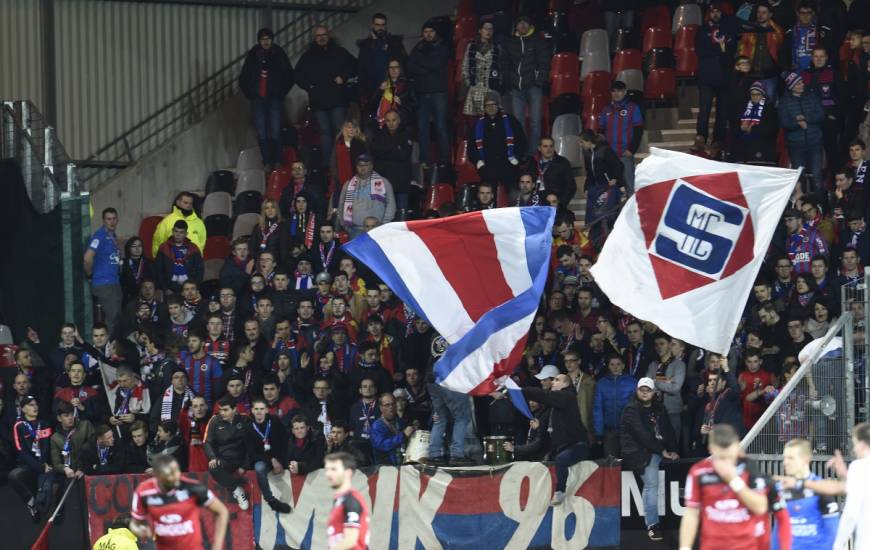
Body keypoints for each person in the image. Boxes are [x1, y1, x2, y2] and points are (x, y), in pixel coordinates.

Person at [679, 424, 781, 550]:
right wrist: (685, 547)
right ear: (711, 449)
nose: (727, 463)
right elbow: (691, 512)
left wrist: (734, 480)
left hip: (746, 546)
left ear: (737, 447)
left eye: (730, 457)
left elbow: (760, 507)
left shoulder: (749, 468)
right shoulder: (698, 472)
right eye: (722, 457)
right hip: (712, 546)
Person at [620, 377, 680, 542]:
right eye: (642, 390)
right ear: (637, 391)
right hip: (639, 453)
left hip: (656, 450)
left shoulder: (659, 408)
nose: (645, 393)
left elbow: (668, 430)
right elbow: (642, 435)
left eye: (648, 390)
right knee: (652, 483)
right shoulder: (631, 409)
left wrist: (673, 450)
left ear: (654, 392)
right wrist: (663, 451)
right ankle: (652, 524)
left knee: (655, 481)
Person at [130, 454, 229, 550]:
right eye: (170, 474)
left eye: (177, 470)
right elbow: (134, 524)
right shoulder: (143, 492)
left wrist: (217, 546)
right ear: (157, 475)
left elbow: (222, 511)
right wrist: (140, 531)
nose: (176, 476)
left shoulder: (193, 488)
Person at [518, 373, 588, 505]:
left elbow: (545, 396)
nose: (553, 382)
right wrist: (539, 427)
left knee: (561, 459)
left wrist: (522, 390)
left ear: (565, 384)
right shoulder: (555, 403)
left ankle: (560, 491)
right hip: (562, 447)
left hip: (578, 445)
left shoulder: (567, 396)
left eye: (557, 380)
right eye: (553, 380)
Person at [295, 25, 357, 166]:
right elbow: (297, 75)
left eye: (324, 35)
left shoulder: (340, 52)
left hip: (338, 100)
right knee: (325, 134)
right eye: (318, 35)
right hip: (319, 102)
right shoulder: (308, 56)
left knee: (338, 132)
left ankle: (342, 162)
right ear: (314, 38)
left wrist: (344, 76)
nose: (322, 37)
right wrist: (308, 86)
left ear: (329, 36)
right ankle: (328, 165)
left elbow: (354, 65)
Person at [238, 27, 295, 171]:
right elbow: (244, 77)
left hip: (274, 98)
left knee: (275, 132)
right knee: (262, 134)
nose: (266, 42)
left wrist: (281, 92)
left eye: (268, 39)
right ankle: (267, 162)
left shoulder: (278, 53)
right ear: (259, 41)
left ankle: (277, 160)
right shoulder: (253, 55)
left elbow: (289, 74)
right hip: (258, 100)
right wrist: (250, 94)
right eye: (263, 39)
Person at [771, 438, 839, 550]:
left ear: (805, 460)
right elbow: (778, 528)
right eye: (784, 458)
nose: (785, 462)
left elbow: (833, 530)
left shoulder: (821, 488)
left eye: (791, 458)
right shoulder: (780, 489)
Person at [502, 16, 549, 157]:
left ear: (530, 25)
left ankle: (533, 152)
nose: (522, 25)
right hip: (516, 88)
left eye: (525, 23)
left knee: (535, 122)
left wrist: (539, 81)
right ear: (516, 26)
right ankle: (522, 152)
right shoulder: (510, 43)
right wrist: (508, 81)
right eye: (519, 23)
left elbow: (545, 63)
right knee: (519, 122)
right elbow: (504, 63)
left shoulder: (538, 41)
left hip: (534, 87)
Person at [406, 19, 450, 167]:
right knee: (422, 128)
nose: (428, 34)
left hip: (439, 93)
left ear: (436, 32)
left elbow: (437, 64)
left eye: (431, 31)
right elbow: (410, 66)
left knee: (441, 127)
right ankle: (425, 160)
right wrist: (427, 69)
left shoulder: (443, 47)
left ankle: (444, 160)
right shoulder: (418, 47)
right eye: (425, 31)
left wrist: (421, 63)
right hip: (422, 93)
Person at [696, 2, 740, 144]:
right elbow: (700, 51)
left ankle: (718, 139)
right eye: (713, 11)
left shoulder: (728, 30)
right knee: (704, 109)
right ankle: (701, 136)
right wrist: (720, 51)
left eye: (718, 12)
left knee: (722, 111)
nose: (715, 14)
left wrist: (720, 51)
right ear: (709, 13)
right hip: (706, 75)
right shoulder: (702, 30)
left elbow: (731, 50)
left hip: (724, 75)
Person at [9, 395, 57, 521]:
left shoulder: (45, 424)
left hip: (45, 465)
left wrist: (46, 464)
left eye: (35, 404)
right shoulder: (19, 426)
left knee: (51, 486)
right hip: (29, 466)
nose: (35, 407)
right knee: (14, 476)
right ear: (23, 409)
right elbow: (21, 451)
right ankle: (31, 504)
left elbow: (49, 447)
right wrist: (39, 466)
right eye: (30, 405)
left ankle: (48, 513)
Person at [468, 91, 527, 193]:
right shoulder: (478, 125)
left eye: (493, 104)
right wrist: (478, 162)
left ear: (498, 105)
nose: (490, 107)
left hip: (509, 166)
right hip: (488, 167)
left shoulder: (510, 120)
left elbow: (522, 141)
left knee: (513, 196)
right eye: (487, 105)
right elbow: (471, 147)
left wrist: (517, 158)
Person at [779, 71, 826, 191]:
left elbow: (821, 115)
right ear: (791, 87)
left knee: (817, 176)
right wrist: (798, 124)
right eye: (798, 84)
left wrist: (805, 118)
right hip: (796, 145)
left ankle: (820, 206)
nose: (802, 85)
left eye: (801, 82)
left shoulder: (812, 97)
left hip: (814, 143)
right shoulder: (784, 102)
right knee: (799, 179)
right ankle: (801, 206)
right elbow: (784, 122)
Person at [203, 396, 251, 510]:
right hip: (225, 459)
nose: (222, 413)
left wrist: (245, 465)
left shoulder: (245, 420)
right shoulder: (214, 421)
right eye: (220, 410)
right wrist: (212, 457)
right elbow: (207, 442)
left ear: (235, 409)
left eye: (226, 410)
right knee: (213, 467)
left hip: (242, 458)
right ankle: (237, 490)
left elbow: (252, 445)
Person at [245, 398, 292, 513]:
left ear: (267, 410)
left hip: (279, 457)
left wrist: (278, 459)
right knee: (259, 468)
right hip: (262, 460)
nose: (259, 411)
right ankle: (271, 501)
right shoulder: (249, 427)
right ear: (252, 410)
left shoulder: (274, 421)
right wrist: (271, 460)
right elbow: (252, 452)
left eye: (261, 409)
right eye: (256, 409)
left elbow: (284, 441)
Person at [801, 47, 845, 171]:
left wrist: (834, 115)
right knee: (810, 152)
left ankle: (833, 184)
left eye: (821, 56)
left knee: (831, 152)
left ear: (826, 57)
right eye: (816, 56)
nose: (819, 59)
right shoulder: (805, 73)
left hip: (828, 119)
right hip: (810, 120)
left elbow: (842, 96)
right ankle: (811, 185)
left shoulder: (834, 73)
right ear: (811, 58)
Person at [597, 80, 643, 193]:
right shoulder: (606, 109)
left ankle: (633, 210)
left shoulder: (633, 108)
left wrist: (632, 149)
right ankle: (614, 211)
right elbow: (601, 132)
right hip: (609, 155)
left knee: (629, 186)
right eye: (613, 91)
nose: (616, 93)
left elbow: (638, 130)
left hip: (624, 153)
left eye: (619, 91)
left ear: (625, 92)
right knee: (611, 188)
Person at [336, 154, 396, 238]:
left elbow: (391, 205)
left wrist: (384, 224)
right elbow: (341, 205)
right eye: (360, 165)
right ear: (356, 167)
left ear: (372, 166)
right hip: (355, 230)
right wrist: (345, 225)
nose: (363, 168)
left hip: (378, 230)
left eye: (366, 165)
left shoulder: (384, 182)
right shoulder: (348, 184)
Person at [833, 421, 870, 549]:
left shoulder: (858, 467)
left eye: (855, 444)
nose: (854, 449)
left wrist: (837, 545)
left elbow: (851, 514)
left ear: (862, 444)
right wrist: (846, 475)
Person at [85, 207, 122, 333]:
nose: (112, 222)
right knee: (112, 318)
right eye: (108, 219)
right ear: (103, 221)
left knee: (117, 317)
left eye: (114, 219)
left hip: (114, 281)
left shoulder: (112, 235)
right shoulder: (99, 236)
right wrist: (90, 275)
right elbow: (87, 257)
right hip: (104, 283)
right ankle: (106, 349)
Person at [737, 2, 785, 100]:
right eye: (758, 12)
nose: (760, 15)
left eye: (764, 12)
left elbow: (782, 53)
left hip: (770, 75)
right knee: (751, 103)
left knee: (769, 104)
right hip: (752, 74)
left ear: (770, 14)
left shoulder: (778, 32)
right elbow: (741, 51)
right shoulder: (749, 30)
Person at [324, 452, 371, 549]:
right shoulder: (340, 499)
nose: (328, 474)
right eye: (327, 469)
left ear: (348, 473)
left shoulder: (351, 500)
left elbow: (350, 540)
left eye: (334, 469)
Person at [357, 13, 406, 106]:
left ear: (386, 26)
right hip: (371, 89)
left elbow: (401, 63)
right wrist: (362, 93)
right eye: (377, 25)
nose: (380, 27)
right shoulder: (365, 45)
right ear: (372, 25)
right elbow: (361, 68)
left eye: (382, 25)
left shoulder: (394, 42)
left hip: (391, 87)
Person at [592, 354, 636, 457]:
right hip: (609, 432)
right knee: (611, 464)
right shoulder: (601, 383)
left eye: (618, 364)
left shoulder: (633, 383)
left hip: (628, 431)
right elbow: (598, 409)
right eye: (612, 364)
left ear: (623, 366)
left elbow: (636, 409)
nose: (615, 367)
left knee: (629, 463)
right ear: (608, 366)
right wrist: (599, 433)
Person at [370, 110, 414, 213]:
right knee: (384, 216)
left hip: (402, 183)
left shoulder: (406, 135)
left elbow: (404, 155)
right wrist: (395, 147)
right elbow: (375, 152)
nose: (391, 123)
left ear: (398, 120)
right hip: (384, 183)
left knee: (401, 218)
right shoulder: (378, 135)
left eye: (394, 120)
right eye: (388, 120)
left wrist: (385, 151)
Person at [462, 20, 502, 117]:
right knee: (477, 118)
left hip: (491, 87)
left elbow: (500, 67)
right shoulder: (471, 47)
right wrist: (469, 82)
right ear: (480, 30)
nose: (488, 31)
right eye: (486, 28)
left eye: (491, 29)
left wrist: (498, 83)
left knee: (491, 116)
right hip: (476, 87)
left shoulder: (497, 48)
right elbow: (465, 65)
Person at [427, 382, 473, 466]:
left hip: (432, 380)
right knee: (462, 417)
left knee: (440, 419)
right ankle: (457, 455)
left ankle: (434, 455)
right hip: (451, 378)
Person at [735, 81, 779, 163]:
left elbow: (772, 129)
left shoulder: (769, 109)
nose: (755, 97)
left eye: (758, 94)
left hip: (762, 150)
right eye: (752, 94)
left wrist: (752, 129)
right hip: (744, 150)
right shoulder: (743, 107)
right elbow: (735, 127)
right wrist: (740, 128)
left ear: (763, 95)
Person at [155, 220, 204, 294]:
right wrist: (165, 288)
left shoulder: (193, 248)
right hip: (169, 289)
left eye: (181, 232)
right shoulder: (163, 247)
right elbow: (158, 270)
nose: (178, 235)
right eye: (176, 231)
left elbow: (200, 270)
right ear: (172, 231)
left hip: (188, 290)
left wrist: (193, 288)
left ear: (186, 234)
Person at [152, 191, 206, 258]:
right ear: (178, 203)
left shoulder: (199, 223)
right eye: (185, 203)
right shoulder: (167, 221)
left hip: (193, 265)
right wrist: (160, 263)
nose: (188, 206)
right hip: (171, 264)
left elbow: (201, 244)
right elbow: (158, 244)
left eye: (190, 203)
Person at [370, 392, 413, 465]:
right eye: (387, 405)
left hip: (403, 465)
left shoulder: (400, 422)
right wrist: (403, 435)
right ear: (381, 408)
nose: (391, 407)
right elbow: (383, 445)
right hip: (385, 468)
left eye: (393, 404)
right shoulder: (377, 426)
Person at [531, 137, 575, 208]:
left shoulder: (562, 162)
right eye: (545, 146)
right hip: (536, 205)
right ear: (539, 148)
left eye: (551, 146)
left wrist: (561, 203)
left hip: (555, 205)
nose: (548, 149)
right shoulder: (533, 162)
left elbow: (571, 186)